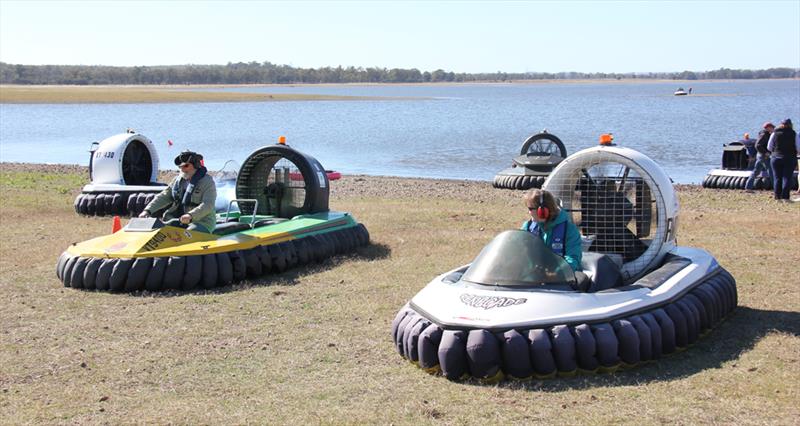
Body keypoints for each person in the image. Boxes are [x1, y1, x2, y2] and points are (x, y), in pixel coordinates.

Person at [139, 150, 217, 232]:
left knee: (189, 234)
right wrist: (147, 211)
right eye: (180, 167)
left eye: (186, 166)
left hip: (202, 222)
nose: (182, 169)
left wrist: (190, 215)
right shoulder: (177, 181)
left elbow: (208, 205)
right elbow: (164, 196)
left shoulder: (207, 182)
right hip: (177, 219)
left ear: (196, 165)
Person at [520, 189, 582, 272]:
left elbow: (573, 259)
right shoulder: (527, 227)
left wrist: (556, 274)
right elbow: (518, 253)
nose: (529, 212)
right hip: (534, 278)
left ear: (542, 211)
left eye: (530, 209)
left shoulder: (569, 230)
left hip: (563, 280)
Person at [767, 119, 798, 201]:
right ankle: (785, 197)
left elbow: (769, 147)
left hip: (776, 158)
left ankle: (777, 197)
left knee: (777, 178)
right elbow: (798, 147)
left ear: (781, 124)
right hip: (789, 158)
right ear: (790, 124)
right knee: (787, 178)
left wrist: (775, 152)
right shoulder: (794, 134)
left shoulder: (775, 133)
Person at [744, 123, 774, 192]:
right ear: (768, 127)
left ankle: (748, 187)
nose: (773, 129)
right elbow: (757, 145)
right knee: (771, 171)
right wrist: (765, 153)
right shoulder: (764, 135)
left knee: (756, 171)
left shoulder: (764, 134)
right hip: (764, 156)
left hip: (760, 155)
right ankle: (776, 189)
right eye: (772, 127)